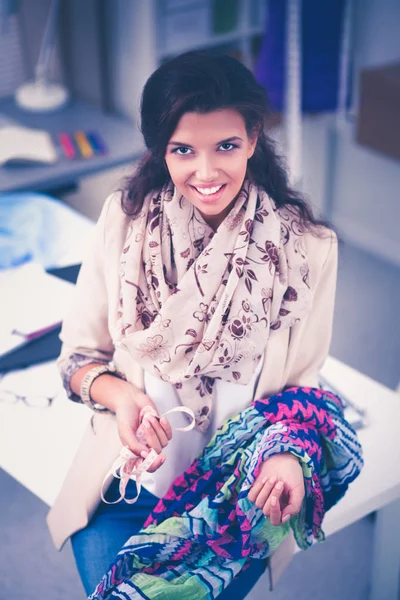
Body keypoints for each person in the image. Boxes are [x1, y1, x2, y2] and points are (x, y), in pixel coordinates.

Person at [47, 50, 338, 598]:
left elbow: (303, 386)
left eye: (226, 146)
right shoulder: (124, 222)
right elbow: (77, 361)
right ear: (163, 150)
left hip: (233, 505)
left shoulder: (308, 250)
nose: (205, 174)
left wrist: (286, 453)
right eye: (183, 151)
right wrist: (120, 397)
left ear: (253, 138)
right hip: (126, 490)